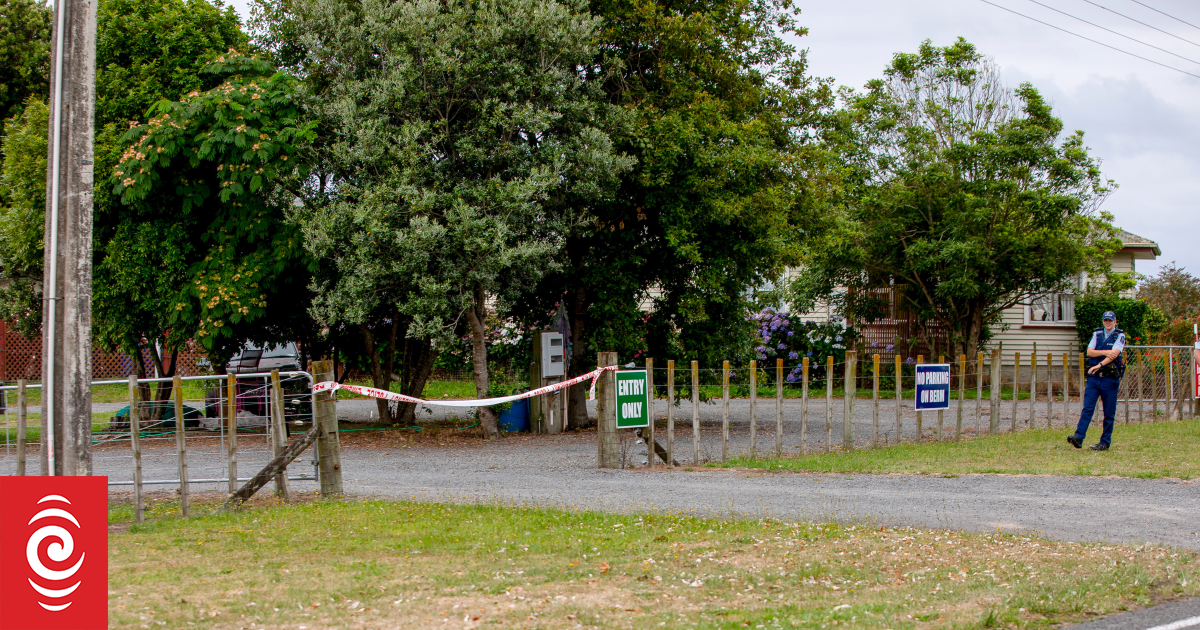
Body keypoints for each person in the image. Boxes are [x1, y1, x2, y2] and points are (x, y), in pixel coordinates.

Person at [1068, 311, 1125, 451]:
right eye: (1106, 320)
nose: (1108, 323)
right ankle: (1078, 437)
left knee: (1109, 412)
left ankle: (1104, 442)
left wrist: (1099, 364)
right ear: (1103, 321)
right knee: (1087, 408)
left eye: (1110, 320)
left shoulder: (1120, 335)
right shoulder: (1097, 333)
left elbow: (1114, 354)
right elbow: (1089, 352)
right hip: (1094, 378)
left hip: (1109, 378)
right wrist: (1104, 352)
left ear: (1115, 321)